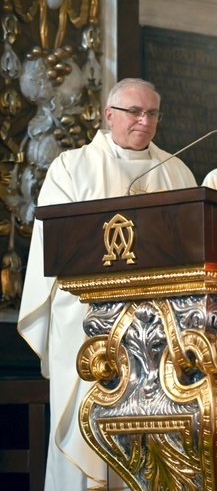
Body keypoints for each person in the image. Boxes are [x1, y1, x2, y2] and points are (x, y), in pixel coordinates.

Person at [17, 78, 196, 490]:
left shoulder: (177, 170)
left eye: (152, 113)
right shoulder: (72, 166)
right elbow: (55, 246)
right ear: (109, 115)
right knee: (87, 420)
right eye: (134, 111)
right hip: (89, 318)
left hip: (158, 328)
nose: (144, 120)